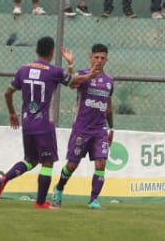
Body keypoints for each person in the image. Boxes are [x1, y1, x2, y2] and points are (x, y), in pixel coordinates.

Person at [0, 36, 75, 209]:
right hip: (44, 124)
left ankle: (3, 179)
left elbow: (8, 93)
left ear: (36, 50)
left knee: (30, 160)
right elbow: (74, 84)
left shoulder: (23, 69)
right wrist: (70, 64)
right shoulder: (55, 71)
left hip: (27, 123)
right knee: (47, 163)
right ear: (52, 52)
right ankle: (40, 202)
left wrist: (12, 114)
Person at [50, 43, 115, 208]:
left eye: (102, 58)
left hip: (100, 129)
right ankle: (58, 190)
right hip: (81, 128)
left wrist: (112, 128)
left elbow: (108, 107)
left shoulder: (109, 81)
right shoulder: (84, 75)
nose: (99, 61)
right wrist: (71, 65)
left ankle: (93, 200)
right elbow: (72, 84)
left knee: (101, 163)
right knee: (72, 164)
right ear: (90, 57)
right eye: (96, 57)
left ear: (106, 60)